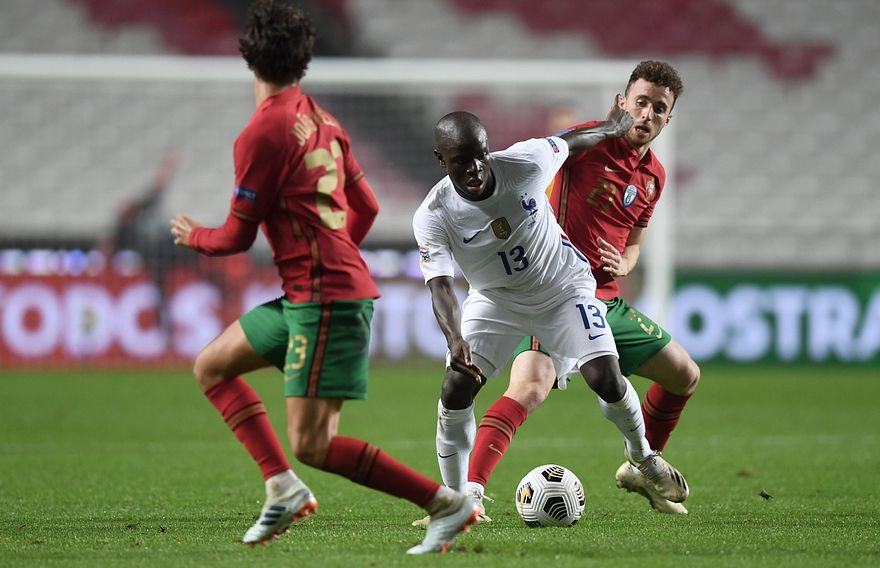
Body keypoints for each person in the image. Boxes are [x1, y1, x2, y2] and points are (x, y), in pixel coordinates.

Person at [169, 0, 476, 555]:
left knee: (313, 444)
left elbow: (234, 238)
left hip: (324, 299)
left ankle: (444, 504)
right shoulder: (323, 119)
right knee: (212, 366)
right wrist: (335, 261)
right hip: (312, 295)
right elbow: (367, 205)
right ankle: (281, 487)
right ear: (304, 59)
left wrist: (193, 235)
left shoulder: (261, 133)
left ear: (249, 56)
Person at [412, 103, 689, 525]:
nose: (475, 168)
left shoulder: (524, 164)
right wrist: (454, 340)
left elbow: (570, 142)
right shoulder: (433, 214)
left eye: (480, 156)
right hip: (495, 301)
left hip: (562, 287)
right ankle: (456, 501)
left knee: (606, 377)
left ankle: (643, 457)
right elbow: (440, 285)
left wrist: (611, 126)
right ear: (440, 160)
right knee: (456, 387)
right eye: (461, 161)